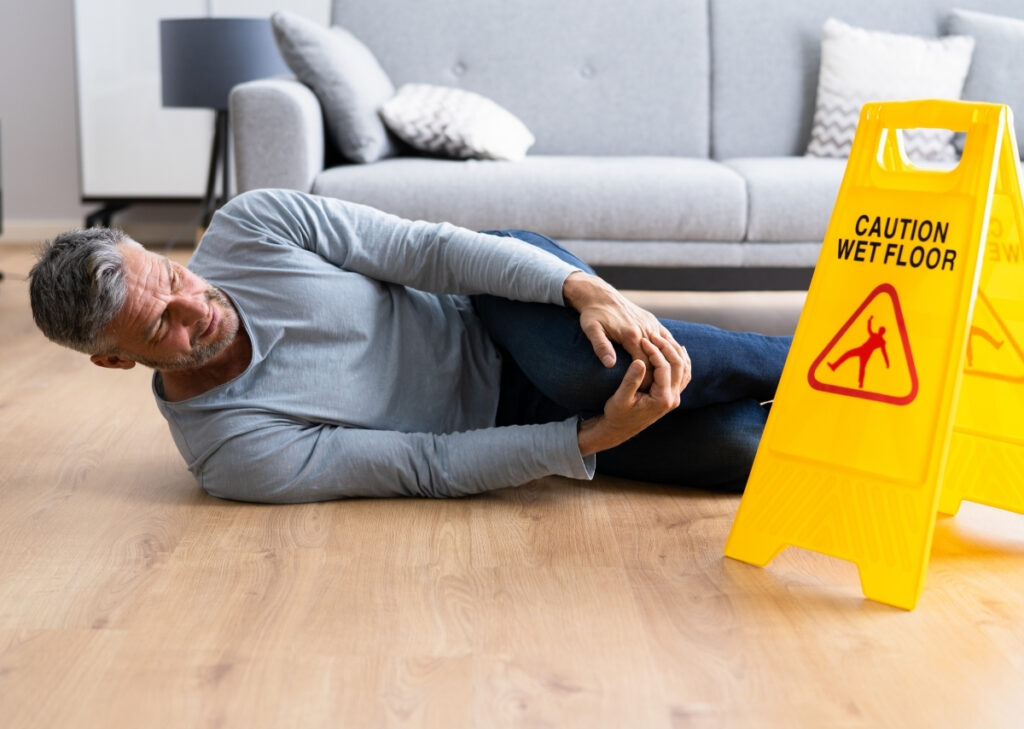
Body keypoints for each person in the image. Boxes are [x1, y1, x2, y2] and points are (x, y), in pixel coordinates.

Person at [29, 189, 790, 502]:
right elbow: (425, 464)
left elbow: (432, 251)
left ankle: (833, 364)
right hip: (502, 419)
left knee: (577, 366)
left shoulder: (253, 224)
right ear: (116, 361)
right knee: (737, 449)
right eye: (163, 324)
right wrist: (595, 439)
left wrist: (584, 289)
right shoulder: (231, 452)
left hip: (497, 306)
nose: (197, 305)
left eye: (171, 276)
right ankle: (875, 436)